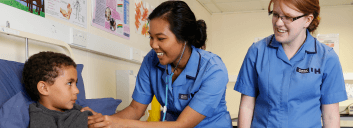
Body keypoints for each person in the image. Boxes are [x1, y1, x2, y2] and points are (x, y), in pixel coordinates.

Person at [85, 1, 232, 128]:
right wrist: (101, 121)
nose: (153, 45)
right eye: (151, 37)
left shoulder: (213, 70)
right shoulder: (151, 60)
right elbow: (136, 109)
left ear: (184, 38)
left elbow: (182, 125)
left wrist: (120, 124)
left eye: (161, 38)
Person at [234, 0, 347, 127]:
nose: (278, 23)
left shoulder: (327, 58)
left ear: (308, 20)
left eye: (287, 17)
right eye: (275, 14)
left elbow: (330, 117)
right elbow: (247, 107)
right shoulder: (257, 51)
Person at [22, 51, 95, 128]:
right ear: (44, 88)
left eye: (75, 84)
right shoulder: (40, 118)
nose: (77, 90)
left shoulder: (80, 109)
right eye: (69, 83)